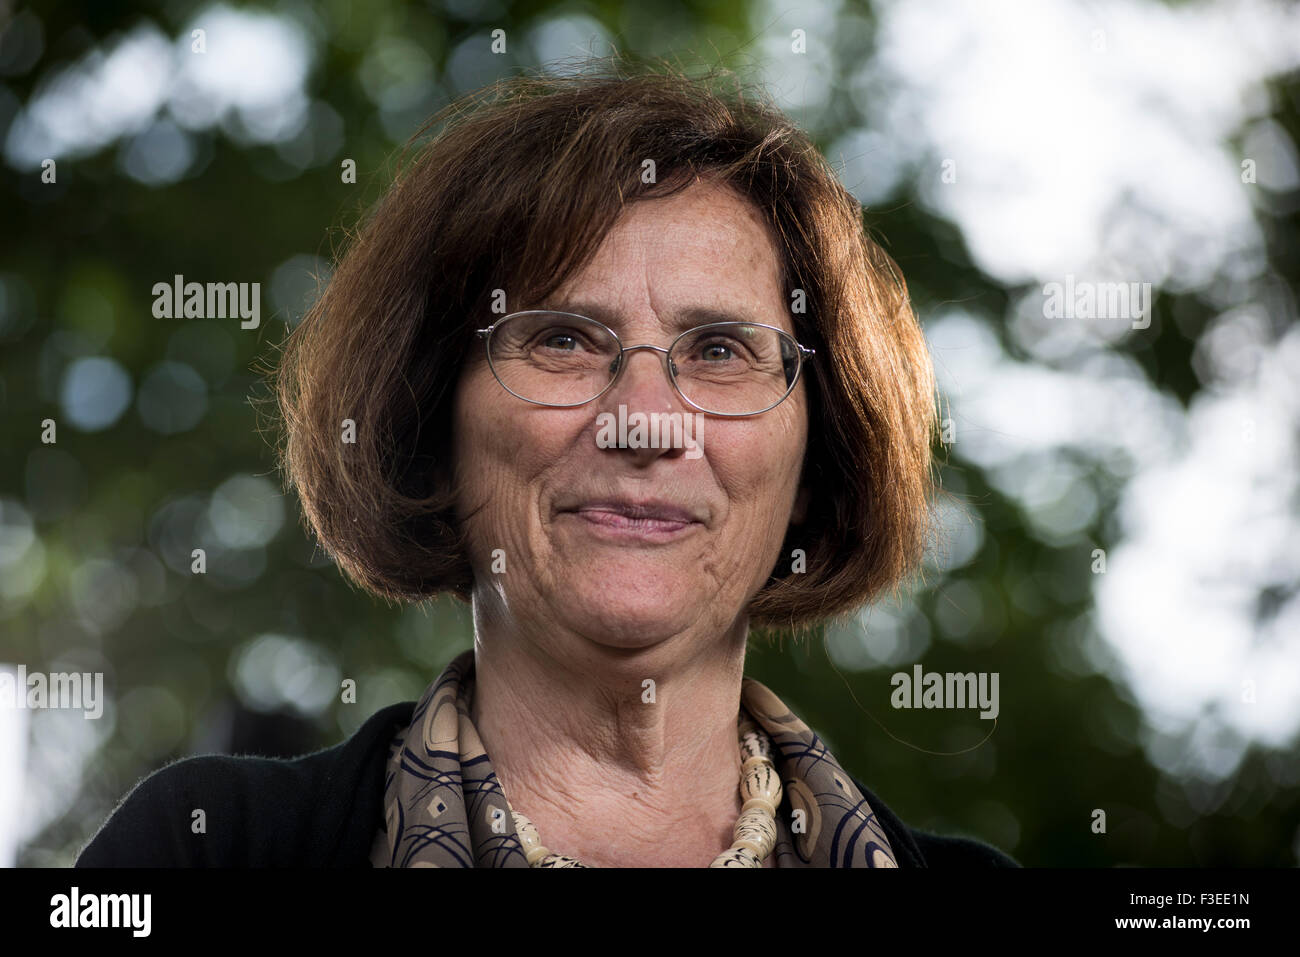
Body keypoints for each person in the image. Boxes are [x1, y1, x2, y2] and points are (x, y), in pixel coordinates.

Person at [77, 60, 1018, 868]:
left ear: (818, 458)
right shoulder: (209, 850)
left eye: (722, 351)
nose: (645, 422)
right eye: (564, 339)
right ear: (429, 424)